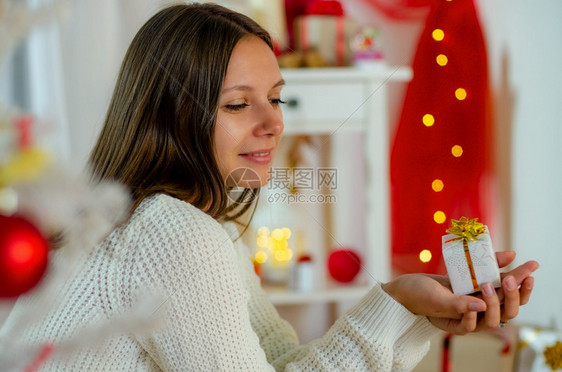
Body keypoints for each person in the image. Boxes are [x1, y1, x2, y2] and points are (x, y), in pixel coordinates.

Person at [0, 3, 538, 371]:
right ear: (173, 117)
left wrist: (404, 306)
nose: (273, 123)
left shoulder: (195, 225)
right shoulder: (173, 234)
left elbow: (279, 362)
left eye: (276, 98)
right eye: (238, 104)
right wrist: (395, 308)